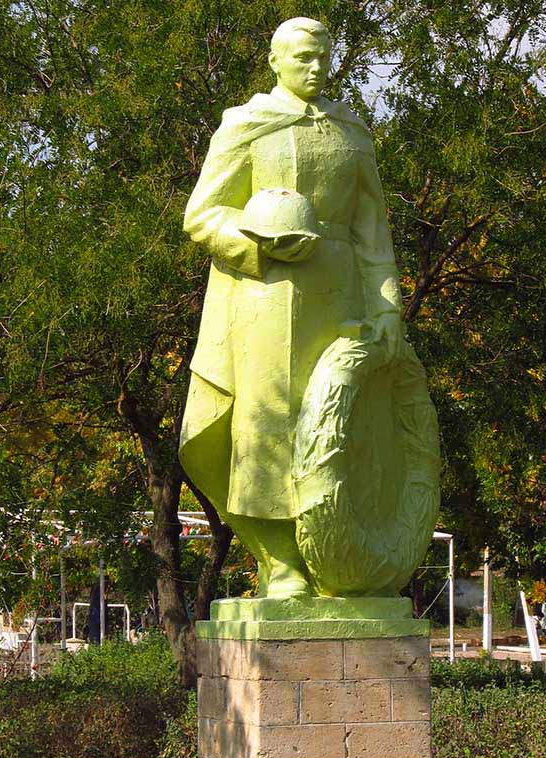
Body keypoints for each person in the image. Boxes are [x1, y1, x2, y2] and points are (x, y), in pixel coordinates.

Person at [179, 17, 405, 598]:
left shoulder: (351, 130)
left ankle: (339, 557)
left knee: (339, 426)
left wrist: (387, 308)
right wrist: (257, 240)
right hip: (267, 297)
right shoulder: (248, 124)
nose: (316, 67)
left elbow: (372, 229)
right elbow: (202, 214)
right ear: (276, 61)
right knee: (268, 427)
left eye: (324, 56)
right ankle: (280, 564)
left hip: (344, 297)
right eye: (304, 57)